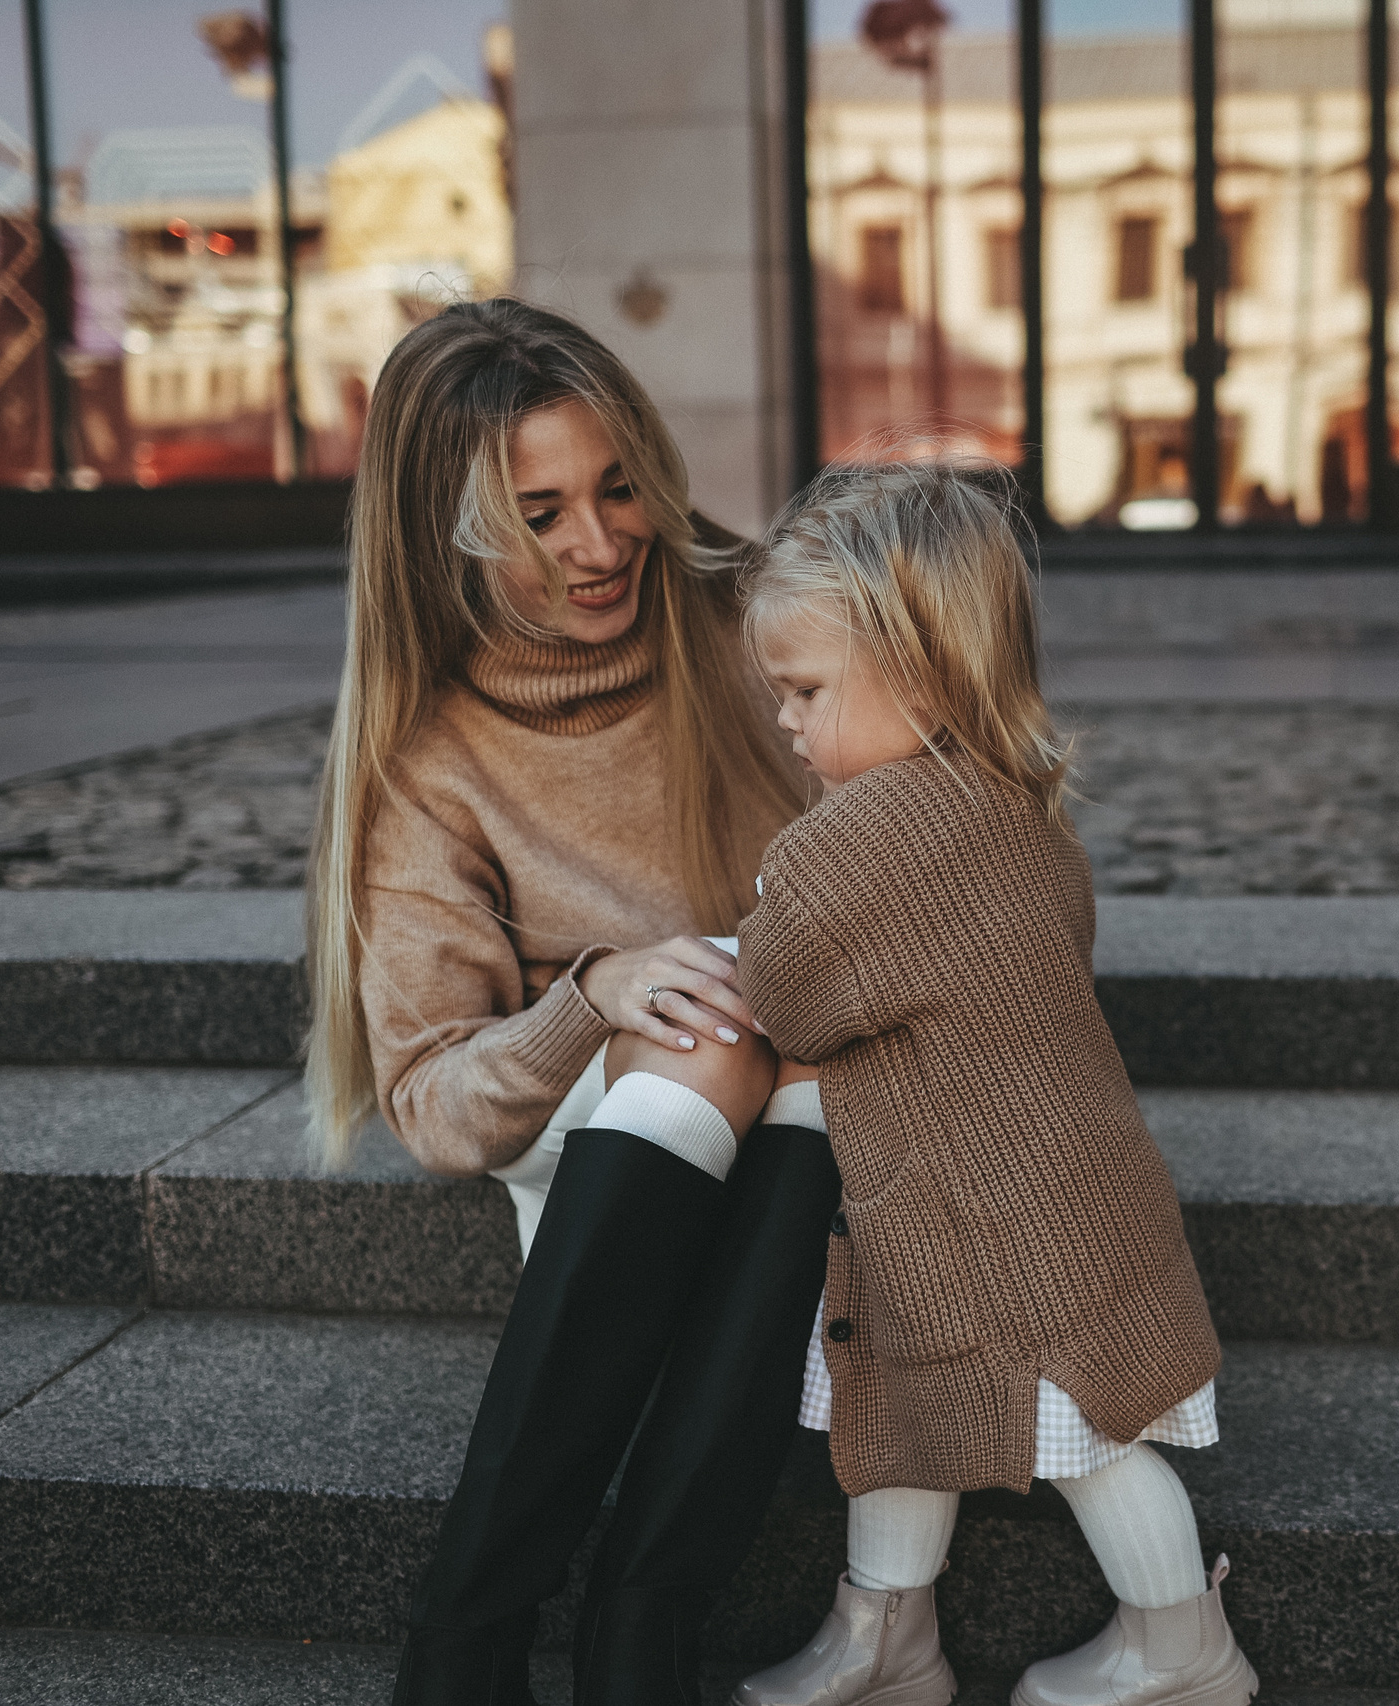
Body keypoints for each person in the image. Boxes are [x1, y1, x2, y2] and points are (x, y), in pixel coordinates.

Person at [302, 297, 835, 1706]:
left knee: (784, 1053)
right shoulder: (429, 756)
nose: (601, 545)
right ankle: (501, 1624)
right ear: (448, 531)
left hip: (801, 1066)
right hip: (591, 1103)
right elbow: (431, 1101)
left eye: (616, 489)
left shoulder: (743, 618)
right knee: (721, 1035)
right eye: (539, 515)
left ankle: (602, 1633)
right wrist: (590, 996)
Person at [730, 461, 1258, 1706]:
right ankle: (884, 1636)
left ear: (916, 665)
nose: (788, 724)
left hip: (1009, 1236)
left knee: (1090, 1441)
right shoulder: (1016, 808)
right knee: (910, 1407)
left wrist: (756, 923)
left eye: (804, 690)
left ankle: (1181, 1646)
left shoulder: (863, 837)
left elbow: (790, 995)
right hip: (1008, 1209)